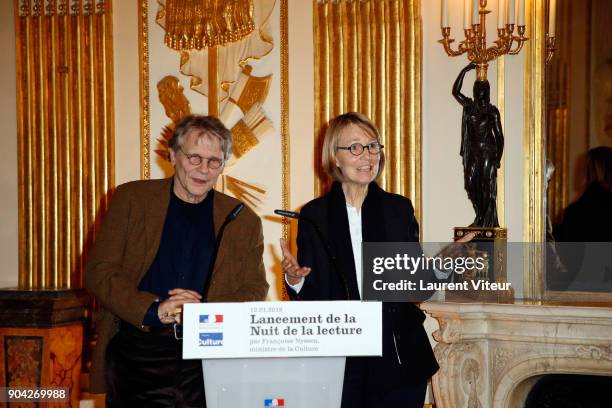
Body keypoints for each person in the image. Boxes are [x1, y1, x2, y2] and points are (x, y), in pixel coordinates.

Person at [85, 115, 269, 407]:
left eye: (214, 161)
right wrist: (155, 309)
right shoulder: (131, 198)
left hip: (209, 357)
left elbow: (254, 289)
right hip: (138, 352)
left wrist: (203, 314)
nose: (204, 169)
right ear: (173, 155)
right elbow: (99, 271)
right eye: (194, 157)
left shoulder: (242, 219)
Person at [279, 112, 443, 408]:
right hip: (340, 363)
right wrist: (296, 279)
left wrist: (442, 265)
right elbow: (312, 299)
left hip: (397, 357)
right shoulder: (315, 215)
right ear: (335, 157)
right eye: (355, 147)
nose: (367, 155)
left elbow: (417, 289)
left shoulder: (398, 209)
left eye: (372, 146)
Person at [453, 62, 504, 228]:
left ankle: (483, 220)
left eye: (482, 89)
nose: (479, 92)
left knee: (486, 187)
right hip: (473, 153)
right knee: (470, 183)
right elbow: (455, 92)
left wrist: (498, 158)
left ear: (486, 92)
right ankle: (480, 215)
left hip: (488, 152)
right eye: (477, 89)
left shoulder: (492, 111)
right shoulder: (470, 107)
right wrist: (465, 69)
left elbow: (499, 136)